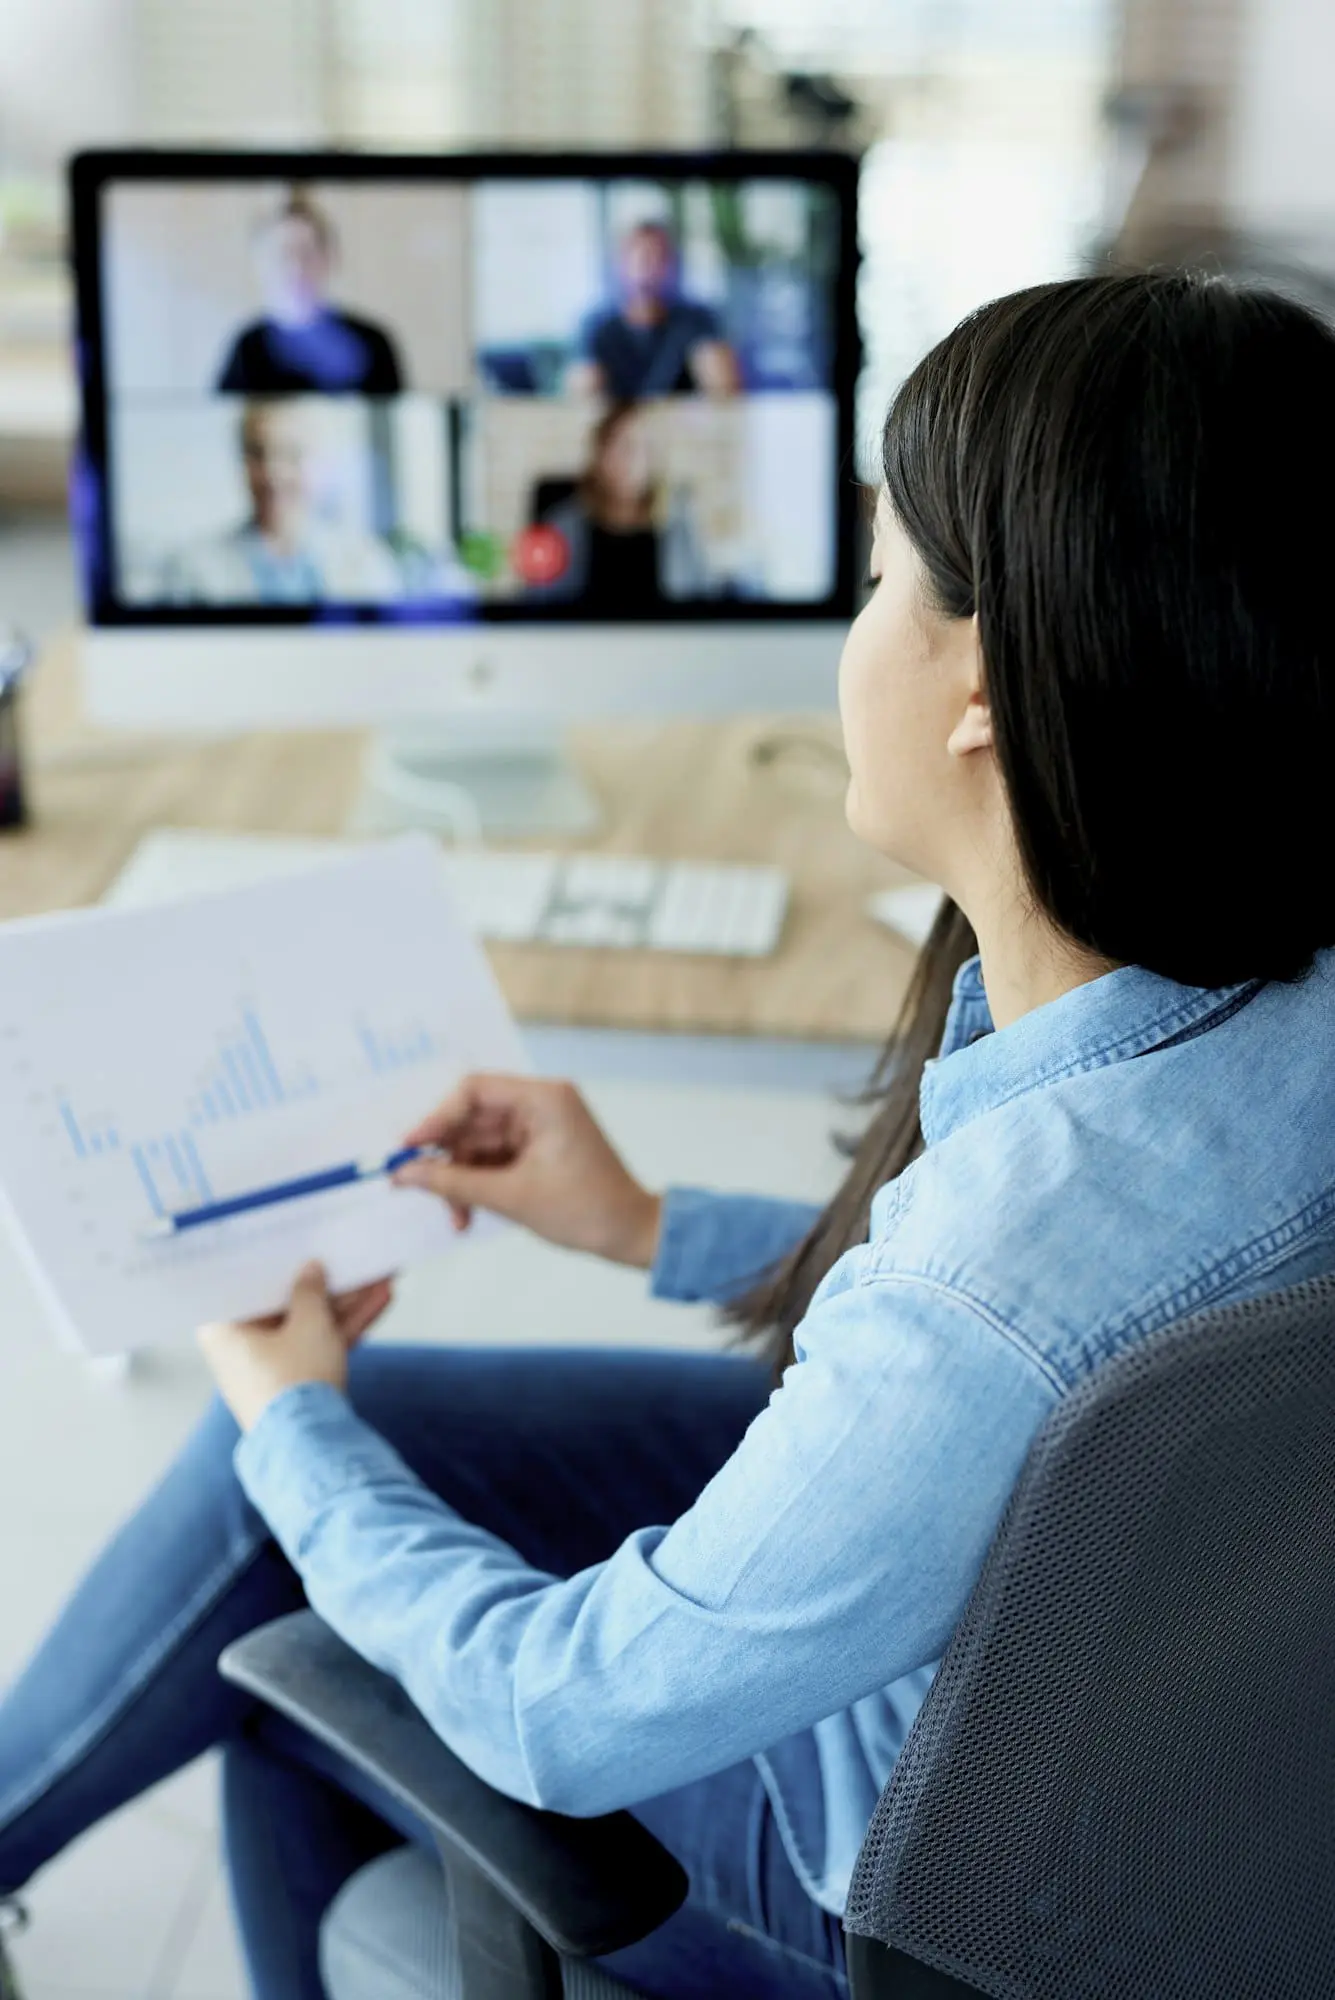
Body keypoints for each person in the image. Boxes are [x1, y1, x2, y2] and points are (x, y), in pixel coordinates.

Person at [4, 272, 1335, 2000]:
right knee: (357, 1452)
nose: (843, 631)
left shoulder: (976, 1301)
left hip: (899, 1888)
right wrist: (645, 1221)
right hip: (1147, 1762)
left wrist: (285, 1419)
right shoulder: (1276, 1002)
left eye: (872, 582)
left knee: (306, 1623)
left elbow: (557, 1712)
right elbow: (1014, 1333)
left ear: (986, 690)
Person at [162, 399, 404, 606]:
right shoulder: (193, 569)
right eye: (258, 453)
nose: (273, 473)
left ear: (323, 463)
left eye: (291, 454)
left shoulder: (366, 563)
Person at [524, 401, 712, 610]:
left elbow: (701, 597)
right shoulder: (560, 525)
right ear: (598, 457)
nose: (627, 461)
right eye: (616, 447)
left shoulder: (677, 520)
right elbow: (535, 605)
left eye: (637, 449)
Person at [216, 192, 404, 396]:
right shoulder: (247, 348)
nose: (297, 266)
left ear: (329, 257)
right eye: (284, 252)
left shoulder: (373, 341)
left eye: (307, 251)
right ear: (262, 263)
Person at [567, 220, 740, 398]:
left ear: (673, 265)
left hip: (683, 423)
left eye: (659, 258)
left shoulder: (698, 319)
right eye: (640, 258)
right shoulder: (597, 324)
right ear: (620, 265)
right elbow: (579, 396)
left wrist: (713, 369)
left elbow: (726, 391)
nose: (648, 269)